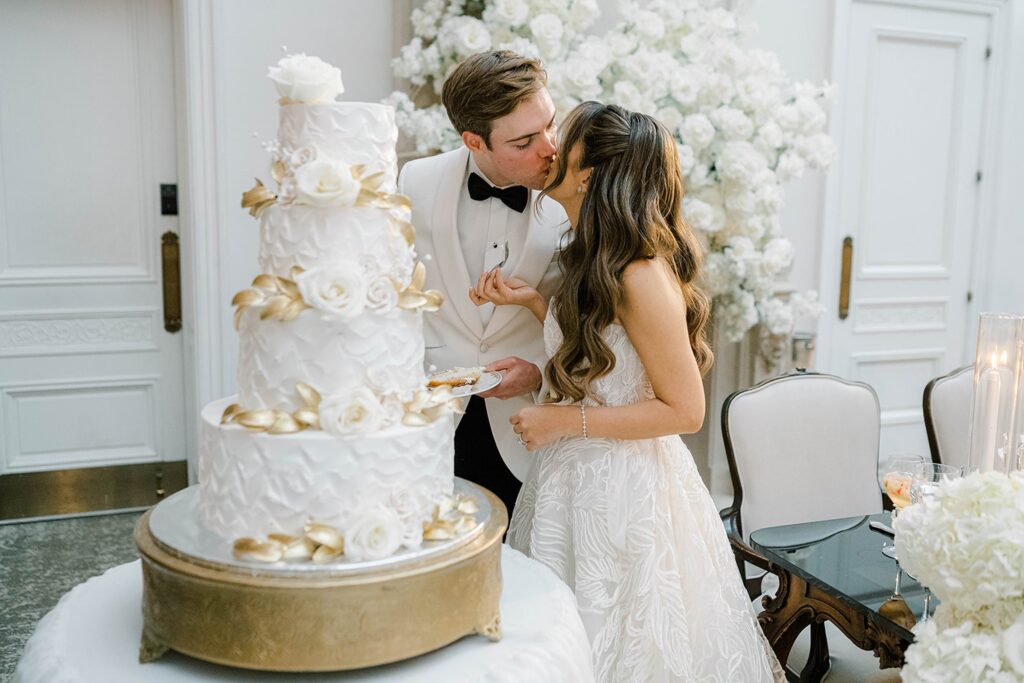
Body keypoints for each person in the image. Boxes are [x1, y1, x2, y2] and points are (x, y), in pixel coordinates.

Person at [470, 101, 785, 682]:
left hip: (624, 496)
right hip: (571, 482)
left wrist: (562, 422)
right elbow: (609, 361)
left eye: (564, 141)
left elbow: (685, 410)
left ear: (588, 175)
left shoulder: (642, 276)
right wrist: (538, 304)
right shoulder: (597, 259)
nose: (551, 148)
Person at [398, 51, 566, 518]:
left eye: (551, 124)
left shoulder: (578, 190)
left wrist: (538, 370)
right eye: (524, 141)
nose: (550, 148)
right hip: (435, 426)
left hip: (530, 423)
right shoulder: (414, 181)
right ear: (474, 140)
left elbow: (594, 318)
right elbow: (394, 299)